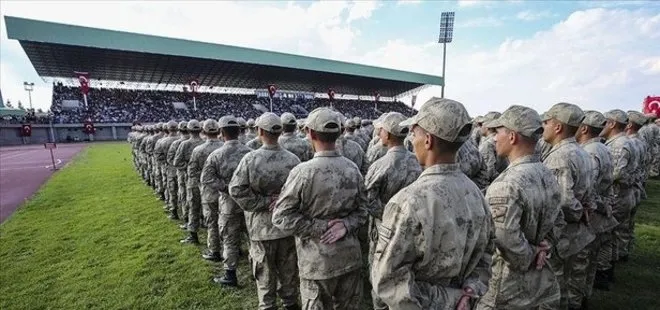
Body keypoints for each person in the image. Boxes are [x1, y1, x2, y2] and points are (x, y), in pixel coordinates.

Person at [370, 98, 494, 309]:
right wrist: (467, 293)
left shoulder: (408, 201)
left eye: (414, 132)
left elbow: (388, 282)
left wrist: (448, 299)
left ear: (427, 140)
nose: (411, 138)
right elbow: (486, 256)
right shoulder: (477, 194)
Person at [272, 107, 369, 310]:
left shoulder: (302, 172)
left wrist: (318, 227)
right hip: (349, 257)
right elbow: (364, 209)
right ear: (340, 133)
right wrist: (345, 224)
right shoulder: (352, 169)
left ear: (310, 133)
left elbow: (281, 217)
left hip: (317, 263)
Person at [476, 105, 562, 309]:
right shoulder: (547, 173)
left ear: (513, 137)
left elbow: (506, 238)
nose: (495, 138)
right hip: (537, 273)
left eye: (498, 132)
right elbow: (558, 220)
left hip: (506, 280)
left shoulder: (506, 184)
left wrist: (530, 254)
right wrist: (544, 247)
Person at [229, 112, 301, 310]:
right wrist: (281, 202)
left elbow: (236, 189)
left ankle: (268, 305)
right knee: (288, 271)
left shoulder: (250, 159)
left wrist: (264, 202)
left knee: (264, 274)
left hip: (261, 228)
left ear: (260, 131)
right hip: (287, 225)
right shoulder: (293, 160)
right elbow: (301, 193)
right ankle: (290, 303)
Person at [363, 112, 422, 309]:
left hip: (384, 230)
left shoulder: (380, 165)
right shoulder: (418, 162)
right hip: (414, 226)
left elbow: (368, 199)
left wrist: (388, 217)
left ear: (387, 135)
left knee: (381, 272)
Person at [541, 102, 595, 310]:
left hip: (564, 232)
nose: (543, 127)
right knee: (574, 277)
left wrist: (579, 212)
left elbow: (562, 201)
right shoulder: (581, 151)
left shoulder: (560, 157)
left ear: (558, 127)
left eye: (547, 122)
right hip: (578, 230)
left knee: (554, 282)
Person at [202, 115, 253, 286]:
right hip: (249, 203)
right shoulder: (250, 152)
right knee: (252, 238)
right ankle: (256, 270)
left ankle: (230, 275)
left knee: (230, 240)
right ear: (239, 131)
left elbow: (207, 178)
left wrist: (227, 188)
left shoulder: (216, 155)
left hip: (228, 204)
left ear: (221, 132)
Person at [575, 111, 618, 293]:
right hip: (601, 207)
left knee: (580, 264)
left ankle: (576, 300)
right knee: (590, 260)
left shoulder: (589, 152)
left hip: (592, 212)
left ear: (583, 128)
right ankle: (584, 295)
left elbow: (588, 187)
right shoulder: (603, 148)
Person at [600, 110, 636, 276]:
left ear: (612, 124)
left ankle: (605, 270)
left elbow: (616, 173)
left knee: (607, 236)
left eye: (605, 122)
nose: (602, 126)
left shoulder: (619, 144)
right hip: (624, 193)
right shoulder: (625, 142)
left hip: (617, 195)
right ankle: (610, 267)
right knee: (616, 233)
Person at [184, 119, 224, 248]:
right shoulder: (225, 147)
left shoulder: (198, 150)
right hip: (225, 190)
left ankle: (214, 248)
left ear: (204, 131)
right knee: (228, 219)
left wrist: (202, 180)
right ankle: (234, 248)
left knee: (211, 220)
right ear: (218, 131)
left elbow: (191, 171)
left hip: (207, 189)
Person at [173, 120, 204, 236]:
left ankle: (193, 233)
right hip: (207, 180)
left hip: (192, 179)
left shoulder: (184, 144)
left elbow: (177, 162)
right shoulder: (205, 142)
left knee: (193, 205)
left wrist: (189, 168)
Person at [154, 121, 179, 211]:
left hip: (169, 168)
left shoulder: (162, 141)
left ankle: (173, 209)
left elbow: (158, 156)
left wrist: (166, 163)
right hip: (183, 169)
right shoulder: (182, 140)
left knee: (171, 189)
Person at [166, 121, 189, 220]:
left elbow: (170, 159)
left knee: (181, 194)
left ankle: (180, 214)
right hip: (195, 174)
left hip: (177, 171)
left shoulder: (175, 143)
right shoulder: (201, 142)